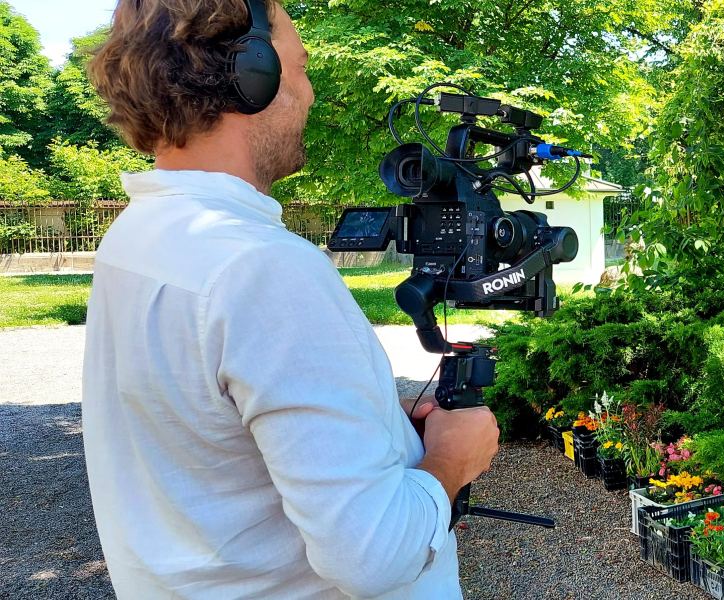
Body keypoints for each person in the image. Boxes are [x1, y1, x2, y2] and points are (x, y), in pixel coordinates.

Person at [82, 0, 497, 597]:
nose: (308, 95)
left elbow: (209, 433)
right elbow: (371, 556)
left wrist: (380, 431)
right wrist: (450, 463)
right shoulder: (264, 268)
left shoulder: (139, 235)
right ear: (253, 75)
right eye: (300, 69)